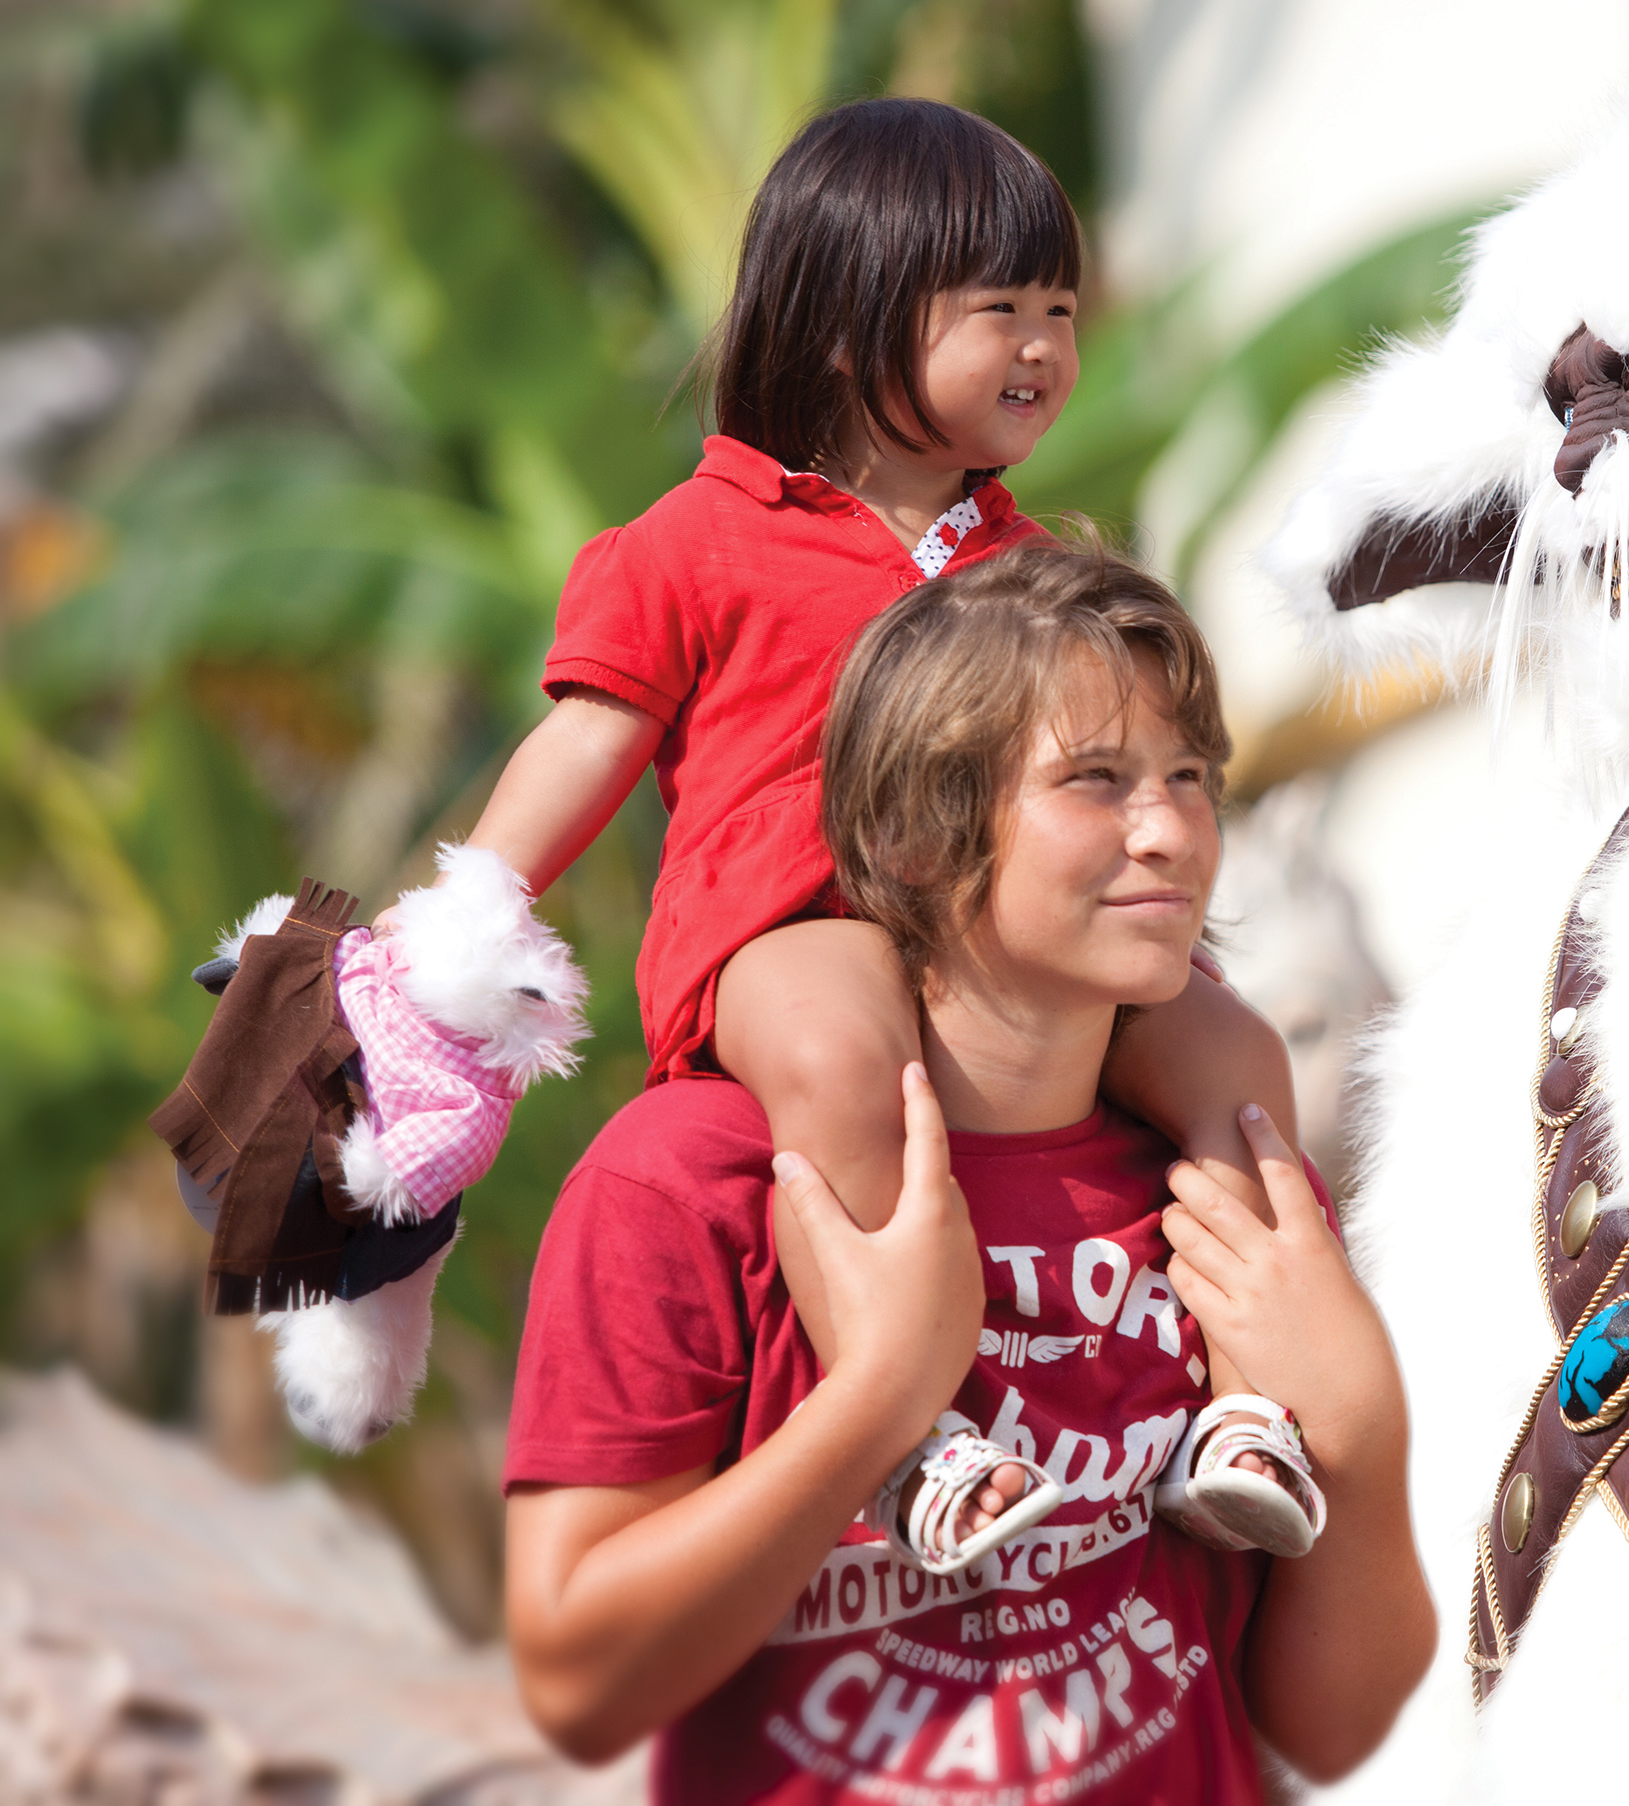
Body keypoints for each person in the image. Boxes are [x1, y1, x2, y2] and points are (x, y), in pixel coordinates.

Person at [400, 96, 1321, 1555]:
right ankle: (910, 1438)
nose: (1043, 346)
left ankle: (1253, 1406)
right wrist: (463, 924)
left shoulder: (1031, 566)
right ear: (846, 326)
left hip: (1007, 939)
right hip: (790, 928)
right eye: (998, 308)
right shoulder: (693, 542)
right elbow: (587, 736)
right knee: (839, 1051)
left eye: (1063, 310)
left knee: (1234, 1054)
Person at [501, 545, 1436, 1799]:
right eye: (1094, 781)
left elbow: (1329, 1729)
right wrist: (879, 1396)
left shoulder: (1224, 1183)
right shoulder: (690, 1184)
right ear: (913, 838)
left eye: (1188, 776)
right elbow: (577, 1678)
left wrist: (1362, 1438)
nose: (1168, 829)